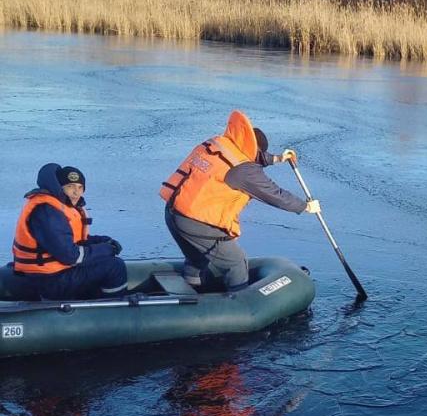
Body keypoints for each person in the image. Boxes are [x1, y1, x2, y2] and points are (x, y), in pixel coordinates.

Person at [161, 110, 320, 291]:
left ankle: (192, 293)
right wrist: (305, 206)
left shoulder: (219, 144)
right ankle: (239, 305)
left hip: (174, 213)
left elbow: (249, 157)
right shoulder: (244, 171)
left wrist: (278, 158)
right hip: (197, 223)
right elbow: (275, 194)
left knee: (197, 258)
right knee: (235, 263)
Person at [11, 164, 127, 300]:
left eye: (80, 187)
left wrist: (102, 241)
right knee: (115, 266)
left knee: (105, 258)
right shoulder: (48, 211)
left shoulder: (57, 207)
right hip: (48, 280)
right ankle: (113, 310)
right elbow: (70, 256)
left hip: (51, 273)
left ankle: (91, 300)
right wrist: (106, 249)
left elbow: (72, 240)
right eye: (70, 186)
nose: (76, 192)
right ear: (60, 188)